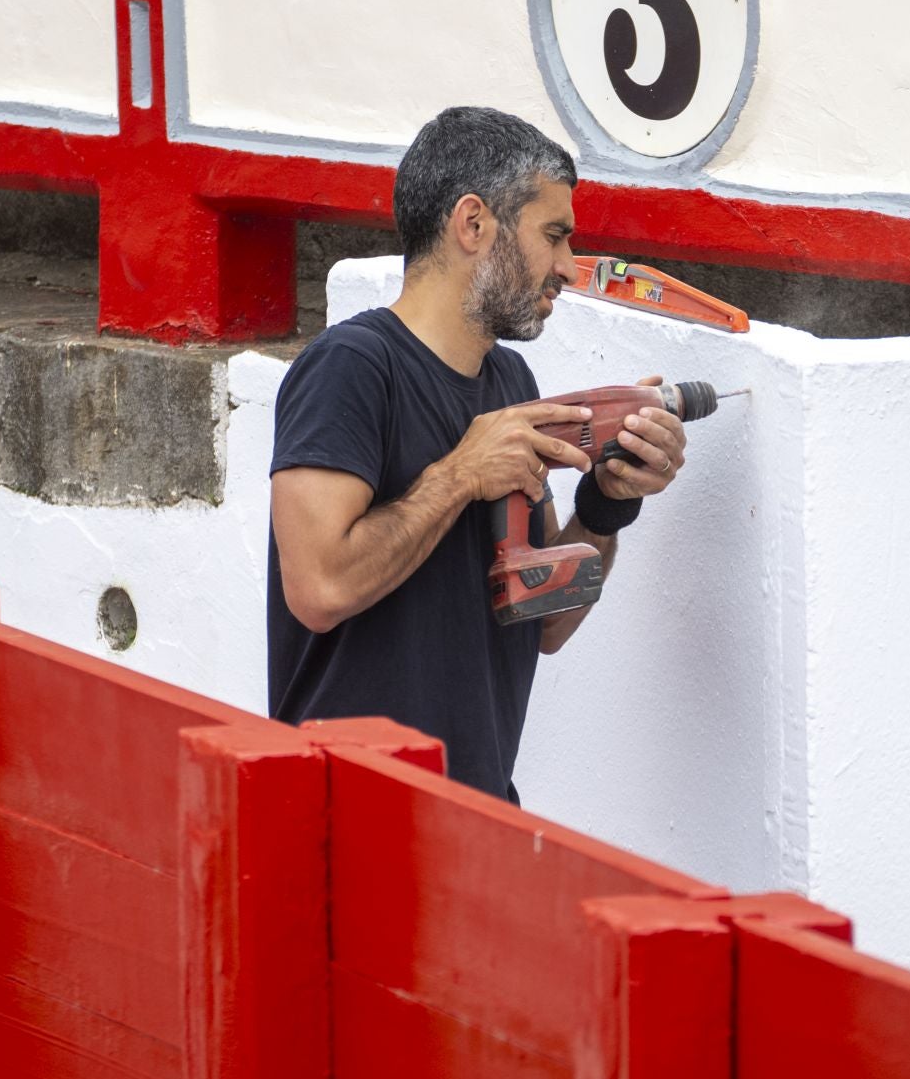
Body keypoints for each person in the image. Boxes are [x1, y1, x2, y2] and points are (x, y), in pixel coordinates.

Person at [266, 106, 689, 803]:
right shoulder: (350, 367)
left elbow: (541, 619)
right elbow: (319, 588)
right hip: (345, 816)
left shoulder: (509, 384)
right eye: (553, 236)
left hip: (477, 814)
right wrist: (461, 473)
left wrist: (609, 503)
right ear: (473, 223)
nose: (567, 268)